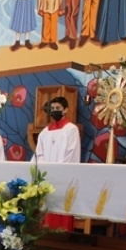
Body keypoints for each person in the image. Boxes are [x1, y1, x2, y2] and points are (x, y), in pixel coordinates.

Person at [31, 97, 80, 231]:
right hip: (46, 179)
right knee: (45, 215)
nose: (54, 111)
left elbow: (72, 154)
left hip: (63, 179)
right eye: (52, 109)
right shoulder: (45, 132)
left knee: (61, 214)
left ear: (65, 110)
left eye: (58, 108)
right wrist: (45, 172)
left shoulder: (71, 130)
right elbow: (39, 154)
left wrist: (58, 172)